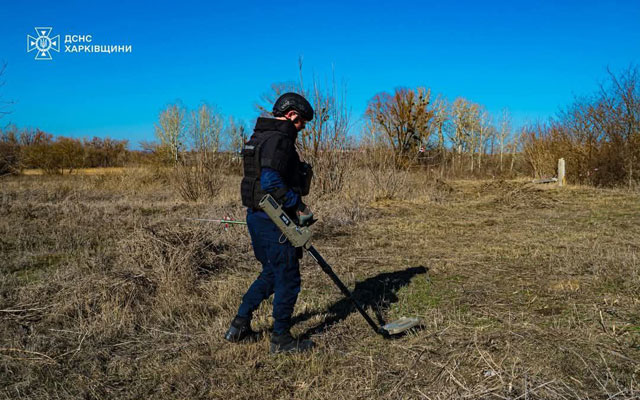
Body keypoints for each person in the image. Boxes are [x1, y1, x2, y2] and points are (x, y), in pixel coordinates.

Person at [224, 92, 315, 353]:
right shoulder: (280, 140)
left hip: (256, 217)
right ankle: (281, 339)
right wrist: (298, 206)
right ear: (291, 115)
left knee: (271, 274)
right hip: (274, 220)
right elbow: (270, 182)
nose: (302, 128)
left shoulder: (259, 137)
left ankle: (239, 324)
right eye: (301, 123)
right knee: (288, 278)